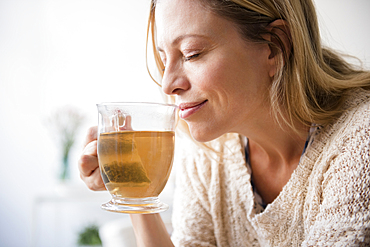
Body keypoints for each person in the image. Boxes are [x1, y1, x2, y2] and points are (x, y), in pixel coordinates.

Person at [78, 0, 370, 246]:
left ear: (274, 47)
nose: (167, 84)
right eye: (163, 58)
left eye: (192, 53)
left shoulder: (360, 142)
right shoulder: (207, 156)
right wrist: (135, 191)